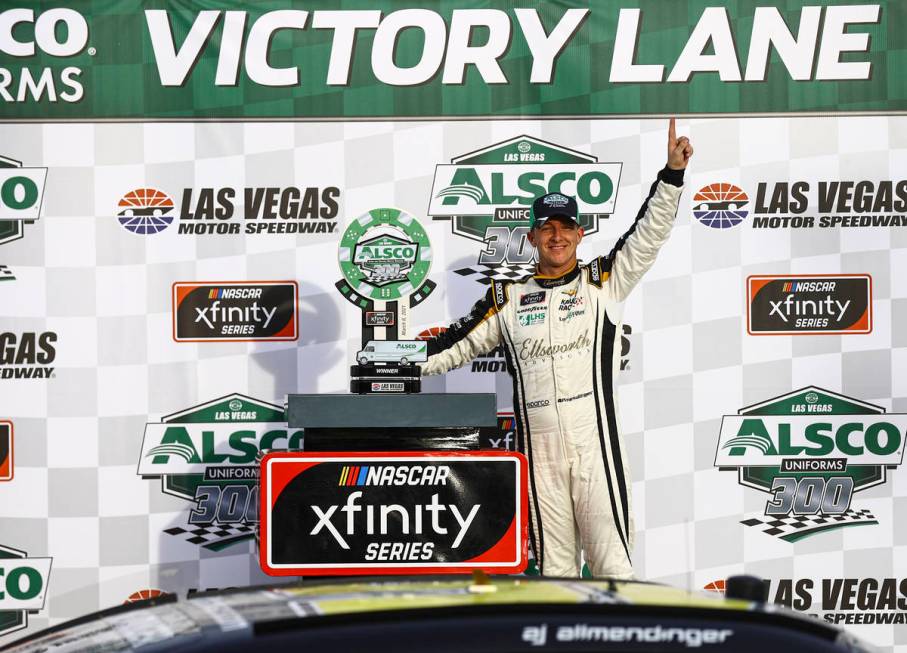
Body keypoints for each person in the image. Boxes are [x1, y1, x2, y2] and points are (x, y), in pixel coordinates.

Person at [422, 119, 693, 578]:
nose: (556, 235)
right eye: (546, 227)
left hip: (595, 446)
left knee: (614, 571)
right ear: (530, 237)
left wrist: (670, 176)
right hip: (539, 453)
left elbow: (648, 235)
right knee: (555, 575)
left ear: (580, 233)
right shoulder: (505, 299)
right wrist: (389, 361)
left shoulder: (603, 281)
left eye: (565, 226)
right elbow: (452, 346)